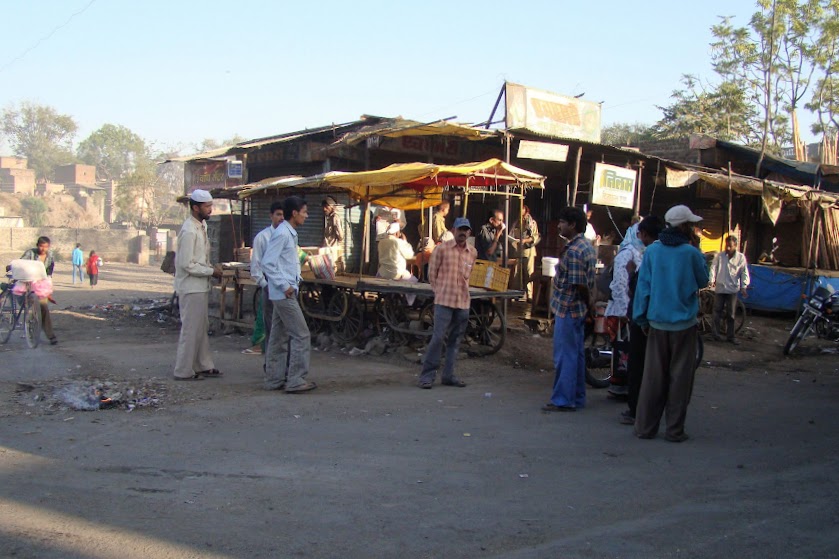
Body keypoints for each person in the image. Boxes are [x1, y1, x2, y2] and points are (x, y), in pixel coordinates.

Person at [632, 205, 709, 442]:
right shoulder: (691, 253)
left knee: (653, 378)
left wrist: (641, 318)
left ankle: (645, 428)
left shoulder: (653, 252)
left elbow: (642, 288)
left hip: (656, 323)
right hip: (683, 325)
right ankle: (674, 430)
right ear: (685, 227)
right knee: (680, 379)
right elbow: (703, 280)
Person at [602, 216, 663, 423]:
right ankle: (624, 390)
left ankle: (633, 400)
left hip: (637, 313)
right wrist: (625, 309)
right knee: (627, 353)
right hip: (630, 311)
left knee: (633, 356)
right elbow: (620, 285)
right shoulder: (629, 254)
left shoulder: (646, 254)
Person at [542, 207, 597, 412]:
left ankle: (563, 399)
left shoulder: (574, 251)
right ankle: (577, 397)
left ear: (572, 225)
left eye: (563, 222)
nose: (559, 225)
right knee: (576, 355)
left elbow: (579, 285)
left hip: (569, 308)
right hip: (577, 309)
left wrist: (588, 304)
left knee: (565, 356)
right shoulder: (586, 246)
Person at [262, 196, 317, 393]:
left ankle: (274, 378)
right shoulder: (283, 234)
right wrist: (285, 285)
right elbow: (268, 263)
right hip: (284, 294)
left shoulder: (287, 233)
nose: (306, 216)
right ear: (294, 213)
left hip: (282, 292)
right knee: (301, 334)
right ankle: (296, 379)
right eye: (304, 212)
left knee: (278, 337)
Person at [418, 217, 477, 389]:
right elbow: (432, 275)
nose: (462, 233)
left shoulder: (472, 252)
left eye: (465, 230)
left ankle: (449, 376)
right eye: (460, 229)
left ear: (469, 233)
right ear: (453, 230)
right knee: (437, 339)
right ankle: (427, 376)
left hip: (463, 302)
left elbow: (468, 276)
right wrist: (439, 292)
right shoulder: (441, 249)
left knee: (456, 340)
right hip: (444, 301)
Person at [172, 189, 224, 381]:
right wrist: (211, 271)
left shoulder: (201, 226)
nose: (210, 210)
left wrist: (211, 268)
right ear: (195, 208)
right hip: (190, 287)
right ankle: (183, 370)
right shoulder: (188, 231)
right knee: (190, 330)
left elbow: (200, 259)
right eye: (207, 207)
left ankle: (203, 365)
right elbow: (187, 264)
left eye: (211, 206)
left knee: (201, 328)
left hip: (200, 286)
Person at [243, 201, 284, 356]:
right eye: (278, 214)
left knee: (283, 329)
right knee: (270, 326)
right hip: (270, 287)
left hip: (285, 288)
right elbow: (256, 267)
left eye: (284, 215)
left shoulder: (289, 236)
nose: (281, 218)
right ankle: (270, 363)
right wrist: (265, 285)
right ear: (271, 216)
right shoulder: (263, 237)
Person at [710, 235, 750, 345]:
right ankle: (715, 334)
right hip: (720, 288)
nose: (728, 248)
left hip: (732, 289)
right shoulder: (720, 256)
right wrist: (711, 280)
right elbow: (713, 268)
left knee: (731, 314)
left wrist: (744, 287)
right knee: (717, 312)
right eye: (726, 246)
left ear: (735, 246)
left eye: (730, 246)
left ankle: (730, 336)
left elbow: (744, 273)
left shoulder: (741, 258)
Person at [20, 236, 57, 345]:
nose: (43, 249)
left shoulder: (50, 256)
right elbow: (21, 263)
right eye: (41, 246)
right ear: (37, 245)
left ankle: (50, 335)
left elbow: (50, 271)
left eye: (45, 247)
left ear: (48, 247)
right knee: (27, 305)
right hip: (28, 282)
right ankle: (29, 328)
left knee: (44, 308)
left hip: (40, 285)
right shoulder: (30, 253)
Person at [378, 222, 419, 305]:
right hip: (397, 274)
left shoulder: (381, 242)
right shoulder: (399, 242)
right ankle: (409, 303)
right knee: (414, 281)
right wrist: (405, 242)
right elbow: (409, 255)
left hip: (382, 273)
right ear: (397, 233)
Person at [511, 205, 541, 300]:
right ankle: (516, 294)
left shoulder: (531, 222)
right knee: (517, 273)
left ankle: (530, 295)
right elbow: (511, 234)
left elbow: (535, 237)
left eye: (522, 209)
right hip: (518, 251)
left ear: (525, 210)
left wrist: (524, 241)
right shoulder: (516, 222)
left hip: (528, 251)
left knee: (528, 273)